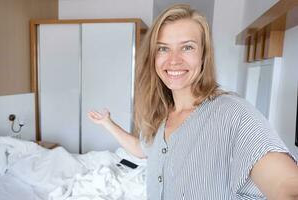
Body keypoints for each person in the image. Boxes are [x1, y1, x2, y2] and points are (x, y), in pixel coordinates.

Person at [88, 4, 298, 200]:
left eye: (187, 47)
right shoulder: (161, 113)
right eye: (163, 48)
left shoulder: (233, 113)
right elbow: (143, 149)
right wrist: (108, 123)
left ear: (203, 55)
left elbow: (287, 185)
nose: (173, 60)